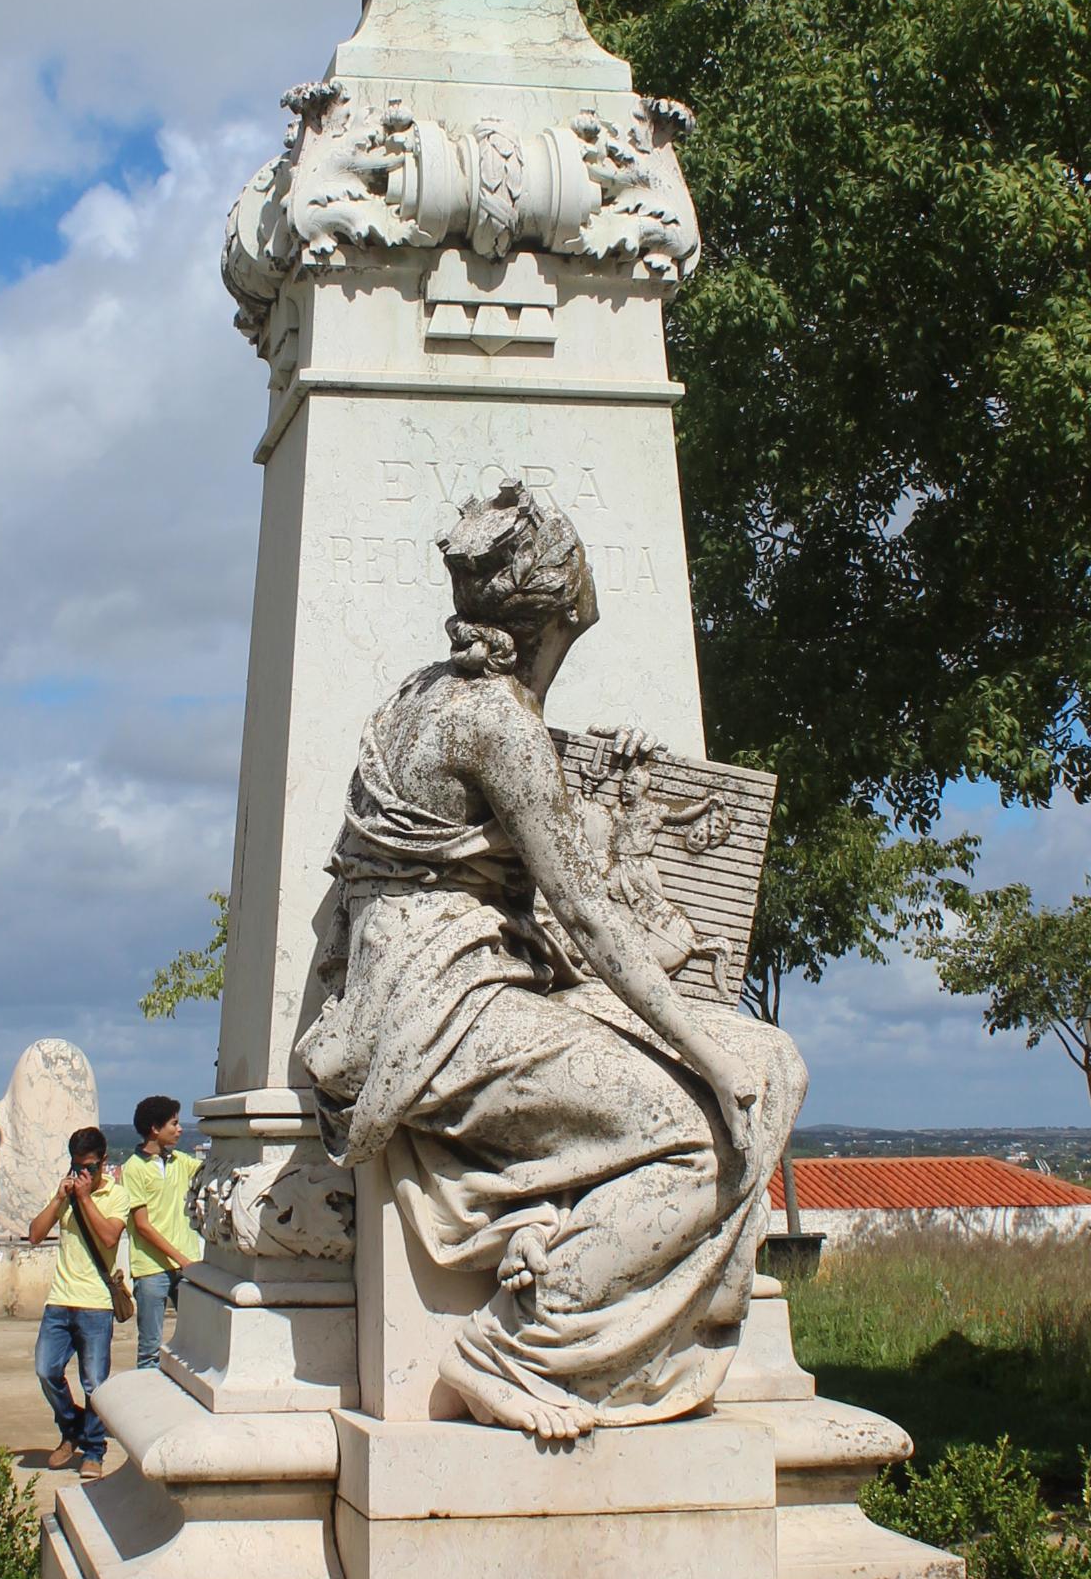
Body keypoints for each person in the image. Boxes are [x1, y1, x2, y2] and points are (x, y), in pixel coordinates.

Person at [295, 478, 805, 1439]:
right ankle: (525, 1340)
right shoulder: (500, 724)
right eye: (574, 637)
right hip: (448, 1010)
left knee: (778, 1063)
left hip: (440, 986)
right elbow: (595, 922)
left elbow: (508, 852)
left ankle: (565, 1249)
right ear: (548, 626)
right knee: (711, 1129)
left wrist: (619, 781)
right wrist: (708, 1049)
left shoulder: (422, 698)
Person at [27, 1128, 124, 1473]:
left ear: (103, 1162)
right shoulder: (66, 1197)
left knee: (95, 1382)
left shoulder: (116, 1195)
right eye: (77, 1167)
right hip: (60, 1299)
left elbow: (110, 1238)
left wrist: (84, 1199)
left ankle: (94, 1451)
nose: (84, 1174)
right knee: (46, 1369)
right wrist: (58, 1200)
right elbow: (35, 1235)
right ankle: (73, 1429)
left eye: (90, 1167)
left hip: (96, 1303)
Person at [117, 1097, 202, 1370]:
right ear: (155, 1128)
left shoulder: (180, 1161)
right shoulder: (133, 1169)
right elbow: (142, 1225)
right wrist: (182, 1259)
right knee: (150, 1349)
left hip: (184, 1262)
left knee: (199, 1343)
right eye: (174, 1123)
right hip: (152, 1268)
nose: (179, 1129)